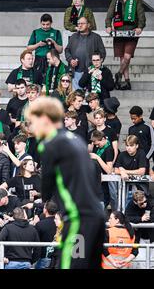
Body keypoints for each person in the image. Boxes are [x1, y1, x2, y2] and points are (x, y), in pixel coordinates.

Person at [26, 97, 105, 269]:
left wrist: (43, 200)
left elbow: (46, 187)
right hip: (96, 216)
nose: (32, 127)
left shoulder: (49, 143)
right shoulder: (76, 140)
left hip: (78, 218)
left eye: (33, 121)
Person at [106, 0, 146, 90]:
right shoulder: (115, 0)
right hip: (119, 33)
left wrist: (140, 27)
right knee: (123, 58)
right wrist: (108, 25)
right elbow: (109, 15)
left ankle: (118, 74)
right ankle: (127, 81)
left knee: (127, 57)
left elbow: (141, 15)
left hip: (132, 32)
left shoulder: (136, 0)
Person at [65, 17, 106, 90]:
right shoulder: (73, 37)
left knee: (91, 96)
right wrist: (71, 60)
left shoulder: (96, 37)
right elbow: (67, 50)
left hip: (91, 71)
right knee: (77, 95)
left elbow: (102, 53)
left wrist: (95, 65)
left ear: (88, 25)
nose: (80, 25)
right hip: (76, 70)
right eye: (78, 24)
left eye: (82, 23)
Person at [90, 130, 116, 210]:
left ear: (104, 139)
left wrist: (97, 157)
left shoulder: (109, 149)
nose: (97, 146)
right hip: (96, 178)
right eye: (95, 144)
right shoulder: (96, 147)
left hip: (105, 182)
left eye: (98, 144)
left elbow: (109, 170)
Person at [34, 200, 58, 269]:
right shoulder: (60, 223)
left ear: (46, 210)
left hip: (44, 257)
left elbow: (35, 241)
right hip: (56, 257)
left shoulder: (40, 224)